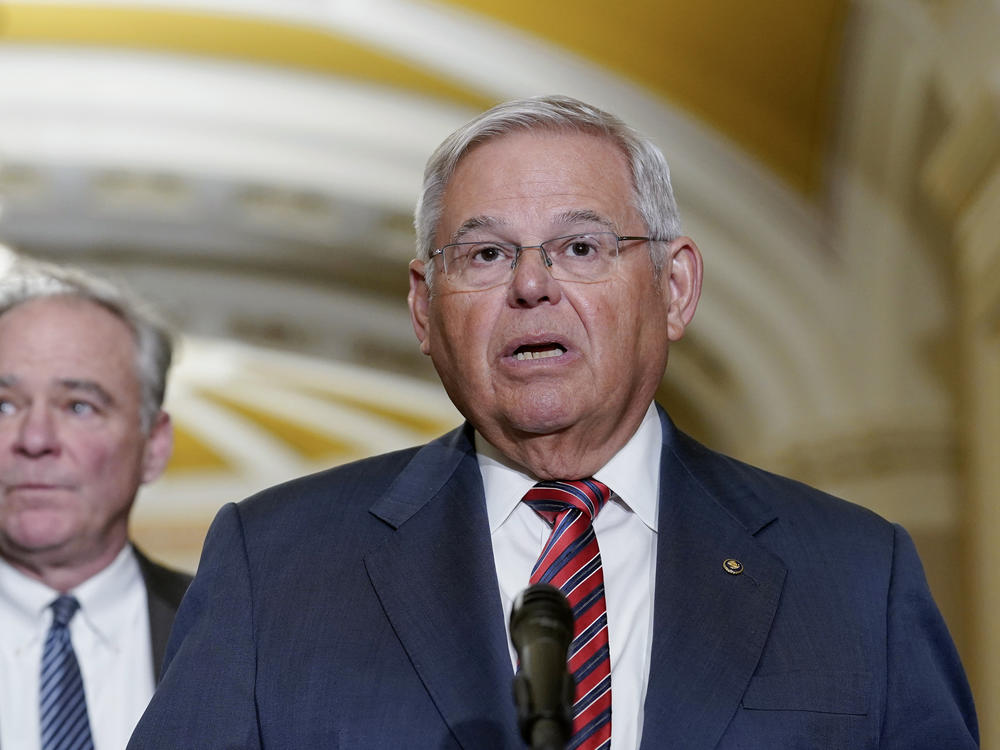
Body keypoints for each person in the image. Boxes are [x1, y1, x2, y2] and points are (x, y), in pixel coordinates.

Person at [128, 95, 978, 749]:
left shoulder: (860, 576)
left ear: (674, 289)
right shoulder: (275, 566)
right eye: (487, 253)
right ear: (424, 310)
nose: (531, 287)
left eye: (581, 247)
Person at [0, 260, 191, 750]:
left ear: (153, 446)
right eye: (4, 405)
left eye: (79, 406)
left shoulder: (241, 635)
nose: (35, 439)